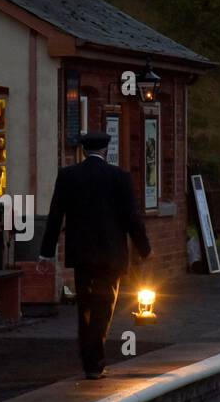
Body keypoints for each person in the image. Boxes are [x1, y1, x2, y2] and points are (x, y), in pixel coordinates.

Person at [36, 131, 151, 379]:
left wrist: (46, 252)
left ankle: (89, 361)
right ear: (106, 150)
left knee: (84, 306)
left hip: (81, 254)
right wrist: (144, 248)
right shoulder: (119, 177)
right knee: (104, 305)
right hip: (111, 255)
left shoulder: (68, 176)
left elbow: (55, 216)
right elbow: (132, 218)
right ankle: (95, 362)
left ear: (83, 151)